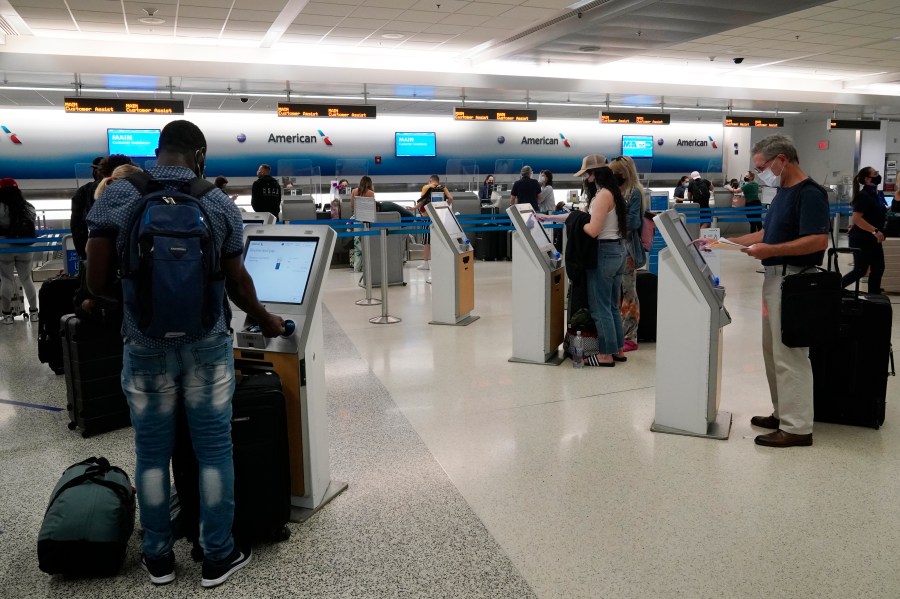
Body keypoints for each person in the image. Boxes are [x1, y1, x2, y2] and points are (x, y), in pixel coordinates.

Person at [86, 120, 285, 587]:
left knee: (151, 454)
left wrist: (135, 308)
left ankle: (158, 558)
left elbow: (95, 280)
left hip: (145, 346)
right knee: (215, 451)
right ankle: (217, 554)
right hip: (207, 345)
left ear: (159, 151)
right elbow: (237, 282)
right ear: (200, 154)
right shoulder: (216, 202)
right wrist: (264, 317)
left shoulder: (120, 194)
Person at [711, 134, 829, 448]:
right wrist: (724, 243)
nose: (761, 171)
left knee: (790, 354)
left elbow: (818, 241)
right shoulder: (781, 194)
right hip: (775, 279)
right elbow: (767, 233)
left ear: (782, 159)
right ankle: (783, 413)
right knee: (772, 351)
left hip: (795, 282)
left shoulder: (810, 193)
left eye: (763, 166)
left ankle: (798, 427)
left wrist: (771, 249)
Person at [540, 155, 626, 366]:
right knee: (612, 305)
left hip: (603, 253)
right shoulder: (611, 192)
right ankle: (618, 350)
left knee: (600, 308)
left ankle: (605, 355)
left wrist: (575, 221)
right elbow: (580, 215)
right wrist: (550, 218)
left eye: (587, 174)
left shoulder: (603, 195)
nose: (585, 178)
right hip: (617, 251)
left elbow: (593, 229)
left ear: (595, 174)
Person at [609, 156, 646, 352]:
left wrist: (611, 220)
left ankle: (630, 335)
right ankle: (620, 332)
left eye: (617, 173)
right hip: (615, 248)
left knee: (628, 293)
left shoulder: (634, 193)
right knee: (618, 292)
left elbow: (633, 223)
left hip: (628, 250)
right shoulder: (617, 192)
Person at [841, 166, 887, 294]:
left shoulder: (875, 194)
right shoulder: (864, 195)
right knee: (860, 270)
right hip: (862, 239)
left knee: (878, 268)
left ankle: (874, 295)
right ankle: (835, 289)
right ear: (867, 179)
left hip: (873, 239)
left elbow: (873, 212)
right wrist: (875, 231)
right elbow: (857, 218)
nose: (878, 175)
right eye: (875, 173)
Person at [0, 178, 39, 323]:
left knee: (7, 279)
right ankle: (34, 313)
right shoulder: (28, 207)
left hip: (4, 246)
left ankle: (7, 315)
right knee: (27, 278)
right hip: (26, 246)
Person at [415, 174, 453, 273]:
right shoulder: (443, 188)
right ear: (438, 181)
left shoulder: (426, 187)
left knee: (426, 240)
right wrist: (445, 207)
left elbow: (422, 201)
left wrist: (414, 208)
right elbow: (450, 198)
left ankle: (426, 263)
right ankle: (440, 261)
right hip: (438, 216)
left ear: (430, 180)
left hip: (427, 216)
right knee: (439, 238)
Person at [70, 156, 103, 259]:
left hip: (95, 242)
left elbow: (77, 225)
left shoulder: (84, 191)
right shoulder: (123, 188)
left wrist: (82, 253)